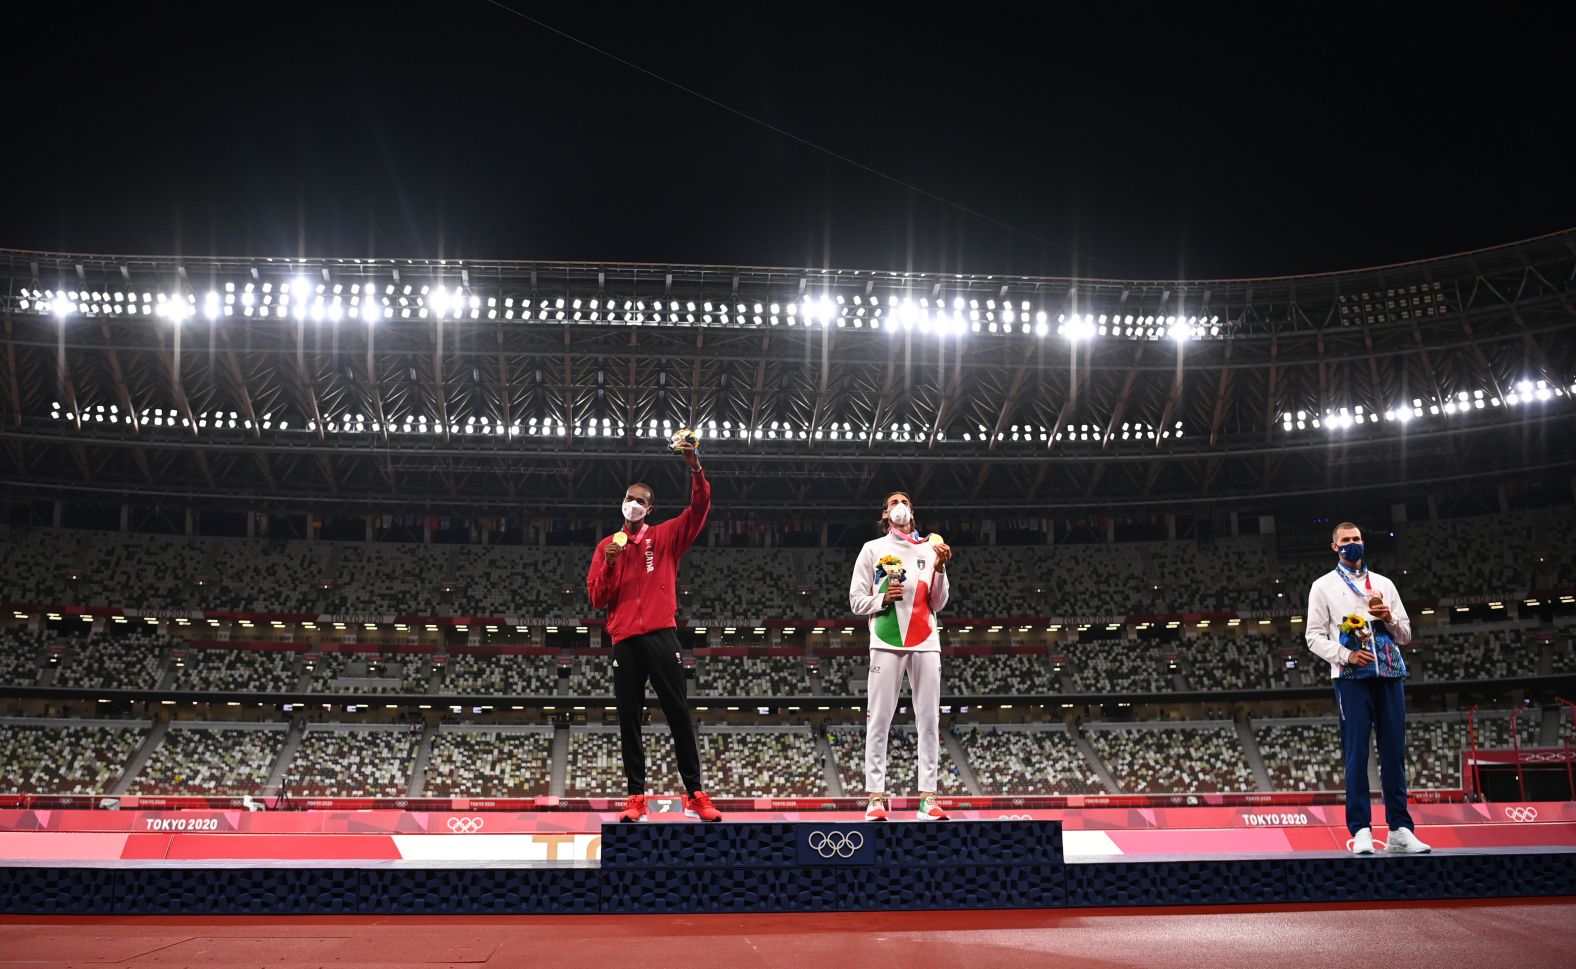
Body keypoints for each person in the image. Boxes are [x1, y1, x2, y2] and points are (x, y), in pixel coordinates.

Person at [586, 439, 721, 823]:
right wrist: (610, 565)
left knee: (677, 711)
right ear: (623, 502)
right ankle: (635, 797)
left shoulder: (664, 538)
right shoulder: (606, 547)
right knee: (629, 715)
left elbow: (699, 509)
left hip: (661, 633)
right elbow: (598, 598)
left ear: (649, 509)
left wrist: (694, 466)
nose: (634, 503)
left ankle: (695, 794)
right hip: (624, 639)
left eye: (641, 500)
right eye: (630, 497)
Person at [1305, 521, 1430, 854]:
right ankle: (1360, 830)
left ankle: (1400, 829)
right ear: (1335, 547)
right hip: (1351, 679)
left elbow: (1405, 634)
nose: (1352, 543)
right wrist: (1345, 655)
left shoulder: (1385, 584)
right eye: (1345, 540)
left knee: (1394, 753)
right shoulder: (1323, 586)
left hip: (1390, 673)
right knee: (1357, 754)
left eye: (1357, 538)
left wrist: (1388, 617)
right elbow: (1313, 636)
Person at [848, 491, 953, 821]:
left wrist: (940, 570)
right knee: (878, 718)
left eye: (903, 502)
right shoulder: (873, 550)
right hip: (885, 641)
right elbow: (855, 601)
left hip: (925, 642)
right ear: (885, 514)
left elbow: (938, 603)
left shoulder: (930, 549)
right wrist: (881, 598)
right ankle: (876, 799)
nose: (899, 507)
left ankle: (927, 798)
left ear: (912, 511)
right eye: (893, 503)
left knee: (929, 720)